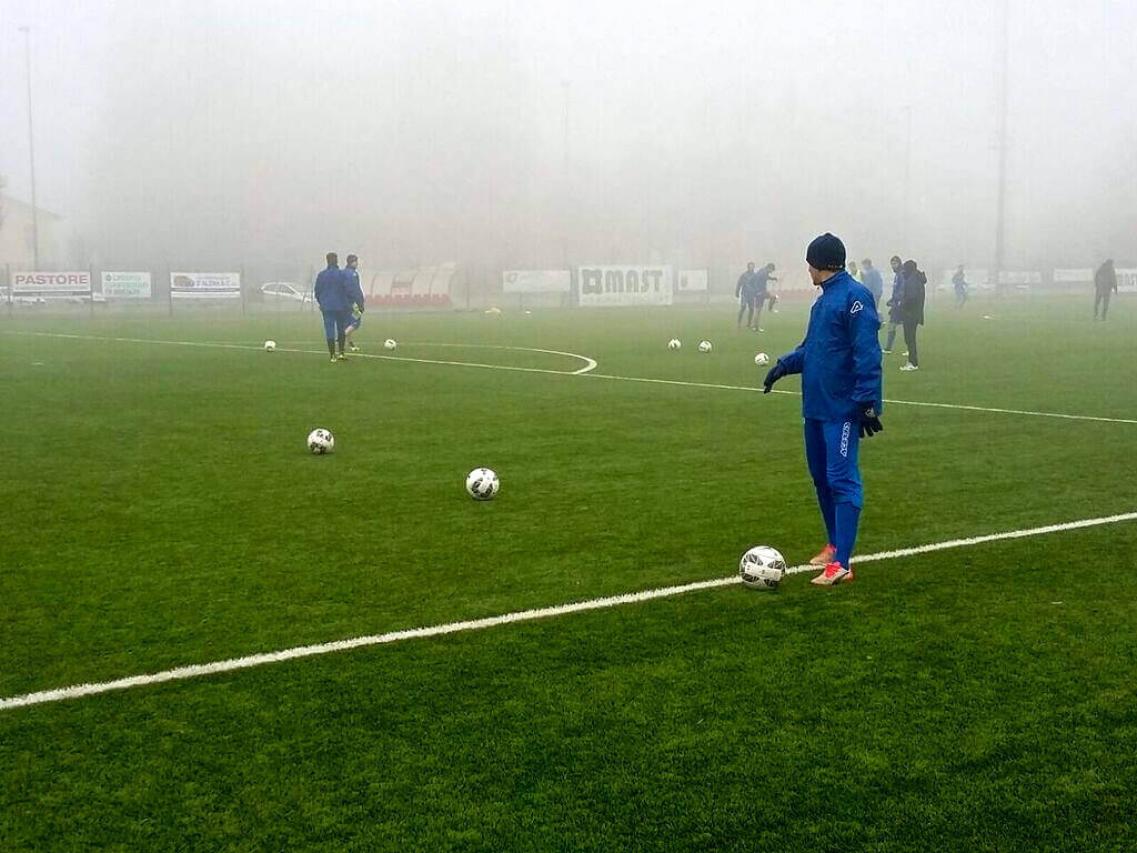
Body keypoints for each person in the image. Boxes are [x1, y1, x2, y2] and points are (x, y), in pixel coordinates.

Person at [762, 233, 883, 586]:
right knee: (821, 478)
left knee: (842, 479)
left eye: (810, 262)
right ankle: (834, 546)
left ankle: (842, 563)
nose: (807, 269)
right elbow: (812, 350)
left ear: (820, 263)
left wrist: (867, 403)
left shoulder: (855, 298)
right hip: (814, 406)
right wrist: (783, 366)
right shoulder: (823, 302)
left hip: (841, 408)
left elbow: (867, 353)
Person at [314, 252, 351, 362]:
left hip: (327, 307)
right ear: (337, 261)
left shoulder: (321, 275)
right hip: (341, 306)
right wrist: (347, 303)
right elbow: (347, 289)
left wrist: (321, 302)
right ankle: (341, 353)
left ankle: (332, 355)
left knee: (329, 329)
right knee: (341, 329)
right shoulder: (341, 274)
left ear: (327, 261)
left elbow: (317, 291)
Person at [899, 259, 926, 371]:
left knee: (910, 338)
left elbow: (912, 297)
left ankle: (912, 363)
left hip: (910, 314)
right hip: (915, 313)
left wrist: (902, 305)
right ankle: (912, 361)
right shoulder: (917, 278)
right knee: (910, 338)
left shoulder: (912, 280)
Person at [342, 254, 366, 351]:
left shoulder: (343, 273)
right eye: (356, 261)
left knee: (348, 323)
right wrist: (360, 302)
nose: (357, 263)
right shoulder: (353, 274)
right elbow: (355, 289)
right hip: (352, 302)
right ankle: (341, 338)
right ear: (352, 262)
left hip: (343, 302)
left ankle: (350, 344)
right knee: (356, 322)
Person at [882, 255, 903, 353]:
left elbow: (902, 290)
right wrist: (891, 299)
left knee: (895, 324)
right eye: (892, 264)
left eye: (894, 263)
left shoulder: (901, 274)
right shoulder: (897, 274)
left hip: (900, 304)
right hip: (897, 303)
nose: (893, 266)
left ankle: (888, 348)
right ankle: (889, 347)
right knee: (894, 324)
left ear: (899, 263)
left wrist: (895, 300)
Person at [751, 263, 779, 331]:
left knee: (758, 310)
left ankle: (755, 327)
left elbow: (756, 279)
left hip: (757, 292)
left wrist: (773, 278)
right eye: (771, 270)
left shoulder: (761, 271)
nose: (771, 272)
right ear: (769, 268)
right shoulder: (764, 273)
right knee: (774, 297)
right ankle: (770, 309)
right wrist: (773, 278)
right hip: (761, 292)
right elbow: (765, 277)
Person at [736, 262, 759, 329]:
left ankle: (749, 323)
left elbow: (756, 284)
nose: (751, 267)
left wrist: (757, 292)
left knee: (751, 309)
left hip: (752, 294)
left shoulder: (755, 275)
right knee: (743, 307)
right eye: (750, 266)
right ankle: (739, 323)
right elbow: (739, 283)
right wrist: (737, 291)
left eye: (752, 266)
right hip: (745, 294)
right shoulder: (744, 275)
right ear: (748, 267)